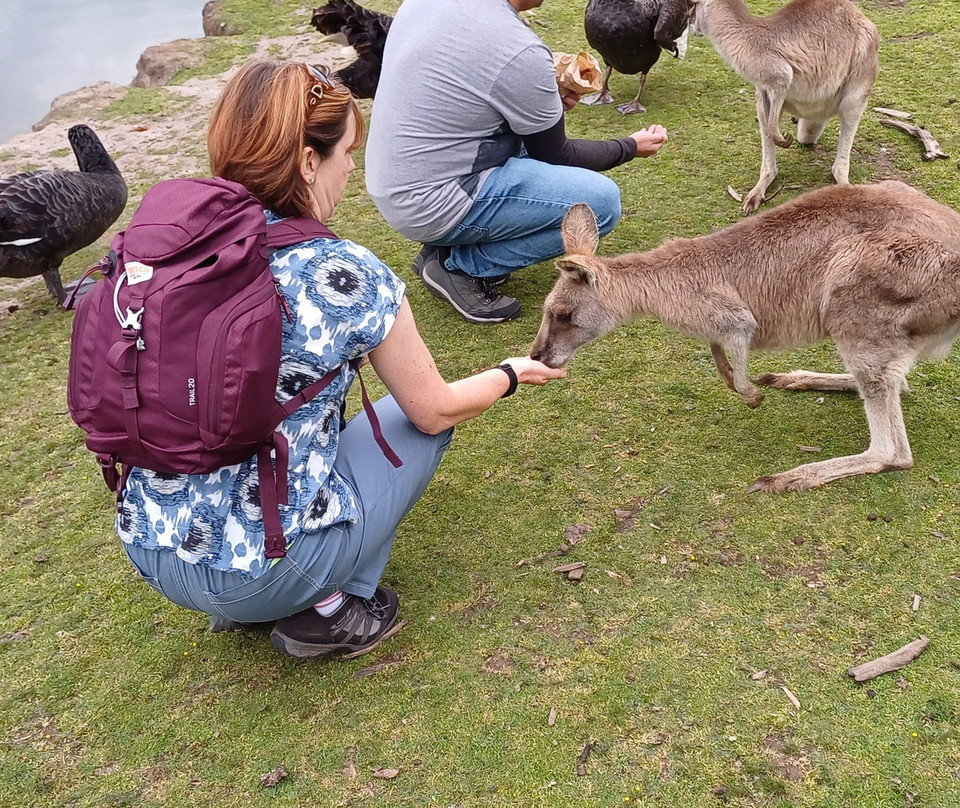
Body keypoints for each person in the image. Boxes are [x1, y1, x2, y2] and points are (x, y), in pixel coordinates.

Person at [117, 59, 565, 660]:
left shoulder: (159, 252)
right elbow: (434, 411)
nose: (351, 168)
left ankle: (250, 592)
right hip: (264, 573)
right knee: (417, 426)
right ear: (308, 161)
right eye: (346, 152)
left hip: (154, 549)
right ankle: (330, 609)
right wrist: (508, 374)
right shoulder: (345, 272)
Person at [364, 0, 669, 324]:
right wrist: (629, 146)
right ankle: (464, 266)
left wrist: (536, 97)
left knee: (529, 146)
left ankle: (445, 244)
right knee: (599, 204)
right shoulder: (517, 49)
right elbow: (557, 155)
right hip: (432, 199)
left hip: (395, 178)